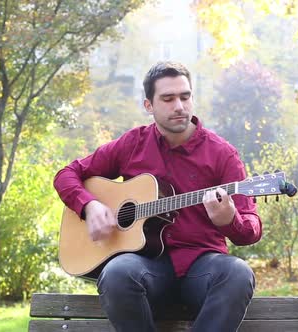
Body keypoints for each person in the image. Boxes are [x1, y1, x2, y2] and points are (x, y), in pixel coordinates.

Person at [53, 61, 262, 332]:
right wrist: (89, 206)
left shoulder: (222, 154)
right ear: (149, 106)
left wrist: (230, 220)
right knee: (117, 273)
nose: (179, 106)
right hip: (146, 267)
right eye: (168, 98)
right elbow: (67, 175)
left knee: (238, 273)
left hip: (202, 267)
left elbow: (251, 230)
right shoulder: (133, 144)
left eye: (185, 97)